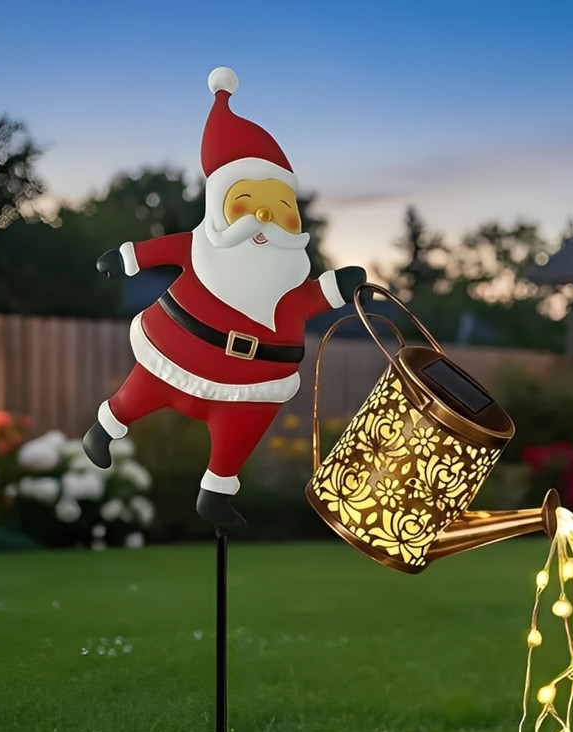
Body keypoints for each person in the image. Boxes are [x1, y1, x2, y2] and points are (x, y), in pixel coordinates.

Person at [83, 66, 364, 531]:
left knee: (239, 434)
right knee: (138, 393)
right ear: (218, 205)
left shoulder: (287, 280)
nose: (263, 215)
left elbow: (312, 298)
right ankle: (106, 427)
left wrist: (338, 286)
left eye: (280, 208)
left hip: (252, 385)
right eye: (247, 201)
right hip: (175, 355)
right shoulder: (198, 247)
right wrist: (125, 258)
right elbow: (157, 250)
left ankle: (215, 494)